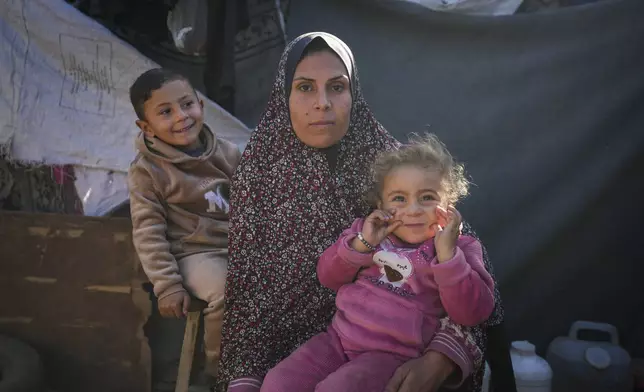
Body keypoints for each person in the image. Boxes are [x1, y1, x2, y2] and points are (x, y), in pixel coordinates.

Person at [217, 32, 510, 392]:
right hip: (304, 356)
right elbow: (248, 300)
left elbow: (472, 286)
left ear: (353, 93)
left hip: (394, 359)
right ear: (283, 96)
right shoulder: (258, 176)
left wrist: (440, 359)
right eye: (305, 88)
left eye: (337, 87)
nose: (322, 103)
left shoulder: (396, 168)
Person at [261, 134, 496, 392]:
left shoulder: (459, 248)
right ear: (381, 205)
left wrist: (448, 257)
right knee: (278, 383)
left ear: (449, 204)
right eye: (399, 199)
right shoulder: (367, 233)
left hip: (391, 357)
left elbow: (473, 312)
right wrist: (362, 243)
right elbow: (327, 276)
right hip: (337, 340)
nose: (414, 210)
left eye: (427, 197)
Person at [127, 68, 241, 389]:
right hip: (193, 253)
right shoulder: (147, 172)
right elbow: (148, 232)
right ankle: (221, 372)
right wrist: (167, 285)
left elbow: (254, 203)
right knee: (225, 289)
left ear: (201, 106)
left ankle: (262, 360)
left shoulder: (227, 153)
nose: (181, 116)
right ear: (146, 127)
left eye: (186, 104)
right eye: (165, 112)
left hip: (236, 245)